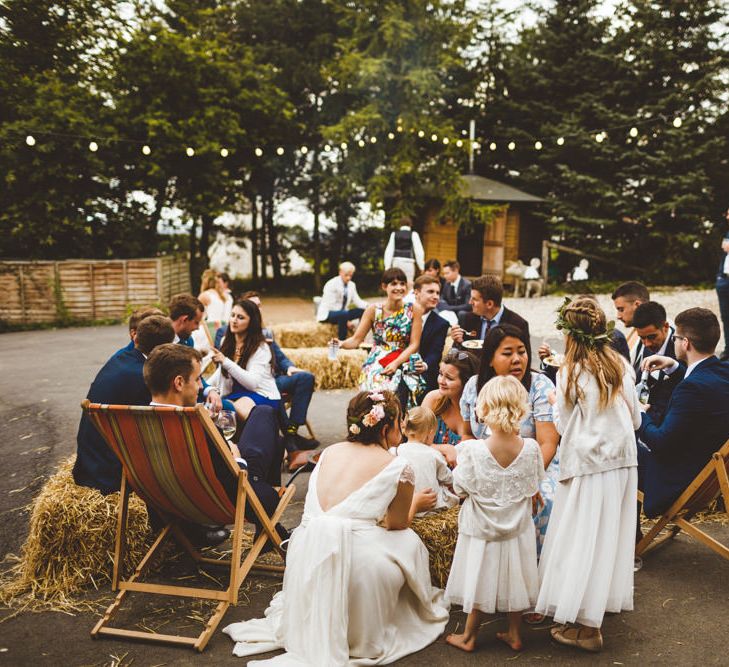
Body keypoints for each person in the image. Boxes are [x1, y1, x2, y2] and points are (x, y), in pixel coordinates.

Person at [222, 390, 450, 664]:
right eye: (400, 420)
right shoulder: (399, 466)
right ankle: (363, 628)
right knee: (410, 542)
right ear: (386, 427)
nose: (403, 427)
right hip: (353, 557)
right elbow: (397, 523)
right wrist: (414, 503)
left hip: (306, 551)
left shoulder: (328, 453)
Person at [535, 298, 641, 652]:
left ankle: (589, 628)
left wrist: (559, 407)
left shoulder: (569, 371)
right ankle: (595, 607)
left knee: (583, 538)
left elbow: (564, 426)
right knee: (610, 538)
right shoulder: (621, 365)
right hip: (624, 461)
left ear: (569, 333)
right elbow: (636, 419)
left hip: (590, 462)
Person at [144, 344, 288, 549]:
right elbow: (236, 477)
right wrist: (236, 455)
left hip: (169, 504)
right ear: (178, 383)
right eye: (196, 380)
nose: (201, 387)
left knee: (267, 422)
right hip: (227, 504)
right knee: (265, 415)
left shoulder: (133, 424)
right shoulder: (196, 426)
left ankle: (268, 529)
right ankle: (267, 526)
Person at [445, 376, 544, 653]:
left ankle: (468, 636)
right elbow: (534, 484)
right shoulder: (531, 449)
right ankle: (514, 634)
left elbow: (460, 488)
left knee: (480, 578)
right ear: (521, 408)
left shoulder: (472, 450)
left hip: (482, 530)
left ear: (484, 409)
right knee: (515, 578)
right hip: (517, 529)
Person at [460, 324, 559, 556]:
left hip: (535, 465)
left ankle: (534, 566)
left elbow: (548, 444)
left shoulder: (540, 386)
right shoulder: (474, 387)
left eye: (522, 351)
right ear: (490, 359)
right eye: (507, 353)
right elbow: (466, 433)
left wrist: (529, 480)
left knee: (546, 500)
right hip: (485, 463)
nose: (517, 359)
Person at [637, 307, 729, 518]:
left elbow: (660, 442)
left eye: (676, 338)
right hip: (709, 477)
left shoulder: (690, 389)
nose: (674, 342)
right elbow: (704, 385)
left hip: (680, 480)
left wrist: (640, 415)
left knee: (626, 449)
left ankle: (633, 536)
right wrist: (674, 367)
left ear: (685, 343)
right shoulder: (724, 371)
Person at [73, 315, 175, 495]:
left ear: (136, 338)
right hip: (111, 474)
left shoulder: (121, 359)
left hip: (89, 464)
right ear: (165, 348)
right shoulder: (144, 376)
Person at [338, 268, 425, 407]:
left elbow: (414, 344)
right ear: (384, 286)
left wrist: (396, 363)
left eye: (402, 284)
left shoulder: (414, 310)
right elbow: (356, 340)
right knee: (370, 386)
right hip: (378, 357)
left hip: (403, 356)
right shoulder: (373, 310)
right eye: (394, 284)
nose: (399, 288)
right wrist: (340, 343)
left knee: (393, 394)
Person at [208, 299, 280, 423]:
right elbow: (220, 374)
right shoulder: (225, 341)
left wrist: (225, 361)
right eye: (232, 315)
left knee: (228, 412)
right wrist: (205, 388)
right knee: (215, 407)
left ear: (251, 322)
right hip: (236, 393)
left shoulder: (260, 348)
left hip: (260, 394)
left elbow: (252, 383)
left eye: (240, 317)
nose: (234, 320)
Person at [394, 406, 458, 515]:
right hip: (431, 505)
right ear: (430, 433)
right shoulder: (434, 454)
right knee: (444, 488)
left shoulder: (397, 451)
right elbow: (448, 478)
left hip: (408, 503)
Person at [631, 301, 683, 425]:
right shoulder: (648, 342)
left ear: (665, 326)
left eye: (651, 337)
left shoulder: (681, 348)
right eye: (642, 338)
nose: (647, 344)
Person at [421, 349, 479, 460]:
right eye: (440, 374)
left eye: (449, 378)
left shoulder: (479, 410)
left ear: (467, 383)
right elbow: (415, 442)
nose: (441, 381)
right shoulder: (433, 400)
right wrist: (445, 449)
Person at [452, 274, 531, 353]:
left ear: (489, 304)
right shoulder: (467, 319)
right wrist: (458, 343)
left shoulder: (518, 325)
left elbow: (525, 362)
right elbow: (456, 356)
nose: (470, 302)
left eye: (474, 299)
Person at [412, 274, 450, 395]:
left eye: (437, 293)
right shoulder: (403, 316)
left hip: (425, 373)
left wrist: (424, 365)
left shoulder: (441, 323)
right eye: (430, 292)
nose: (435, 297)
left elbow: (435, 353)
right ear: (416, 293)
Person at [316, 261, 369, 340]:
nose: (348, 278)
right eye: (346, 275)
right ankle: (342, 341)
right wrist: (346, 321)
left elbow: (357, 301)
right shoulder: (331, 284)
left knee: (363, 311)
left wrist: (369, 306)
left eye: (350, 275)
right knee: (343, 315)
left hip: (344, 313)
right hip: (328, 313)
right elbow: (331, 305)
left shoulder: (352, 285)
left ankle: (359, 338)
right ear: (340, 272)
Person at [611, 281, 650, 361]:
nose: (618, 316)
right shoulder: (635, 330)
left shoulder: (661, 332)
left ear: (637, 305)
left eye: (621, 309)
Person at [383, 216, 425, 285]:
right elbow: (419, 252)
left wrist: (387, 267)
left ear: (400, 224)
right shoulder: (414, 234)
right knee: (408, 284)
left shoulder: (394, 234)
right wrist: (421, 267)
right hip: (408, 263)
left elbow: (389, 251)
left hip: (396, 262)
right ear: (410, 224)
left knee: (396, 283)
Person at [716, 207, 729, 361]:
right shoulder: (727, 233)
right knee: (725, 316)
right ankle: (728, 348)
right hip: (724, 280)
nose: (727, 216)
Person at [198, 268, 227, 335]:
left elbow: (197, 316)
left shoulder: (204, 295)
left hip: (208, 329)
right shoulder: (221, 295)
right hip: (220, 327)